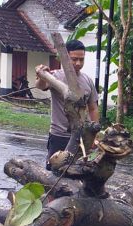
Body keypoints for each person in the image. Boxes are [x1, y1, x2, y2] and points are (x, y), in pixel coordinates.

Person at [35, 40, 99, 170]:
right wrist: (41, 75)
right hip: (59, 136)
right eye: (74, 59)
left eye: (81, 60)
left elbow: (93, 108)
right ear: (65, 58)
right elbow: (40, 86)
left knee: (79, 172)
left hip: (81, 137)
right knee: (53, 173)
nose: (78, 63)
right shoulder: (55, 76)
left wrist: (94, 135)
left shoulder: (87, 80)